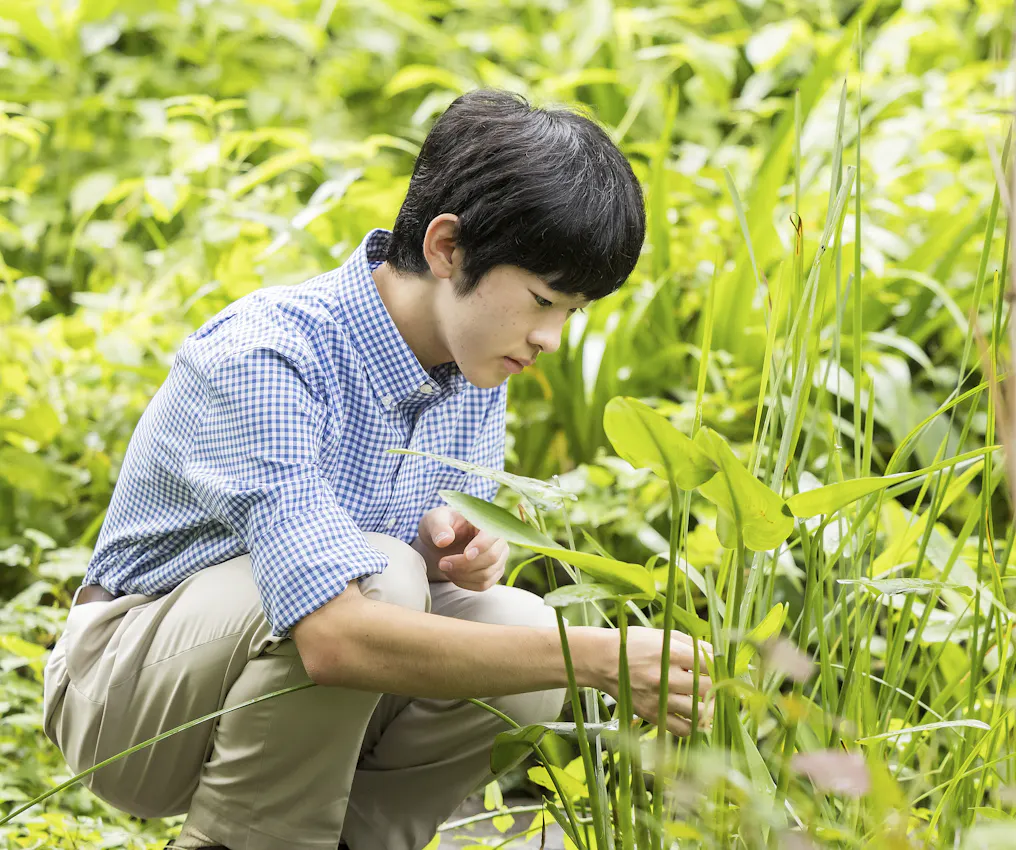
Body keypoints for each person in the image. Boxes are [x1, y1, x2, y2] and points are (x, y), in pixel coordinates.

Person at [41, 89, 713, 850]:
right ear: (447, 247)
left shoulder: (474, 363)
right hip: (124, 698)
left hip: (290, 693)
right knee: (382, 579)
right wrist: (596, 657)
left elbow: (421, 586)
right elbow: (334, 637)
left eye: (573, 311)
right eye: (541, 299)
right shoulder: (269, 355)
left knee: (519, 627)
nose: (551, 338)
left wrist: (453, 557)